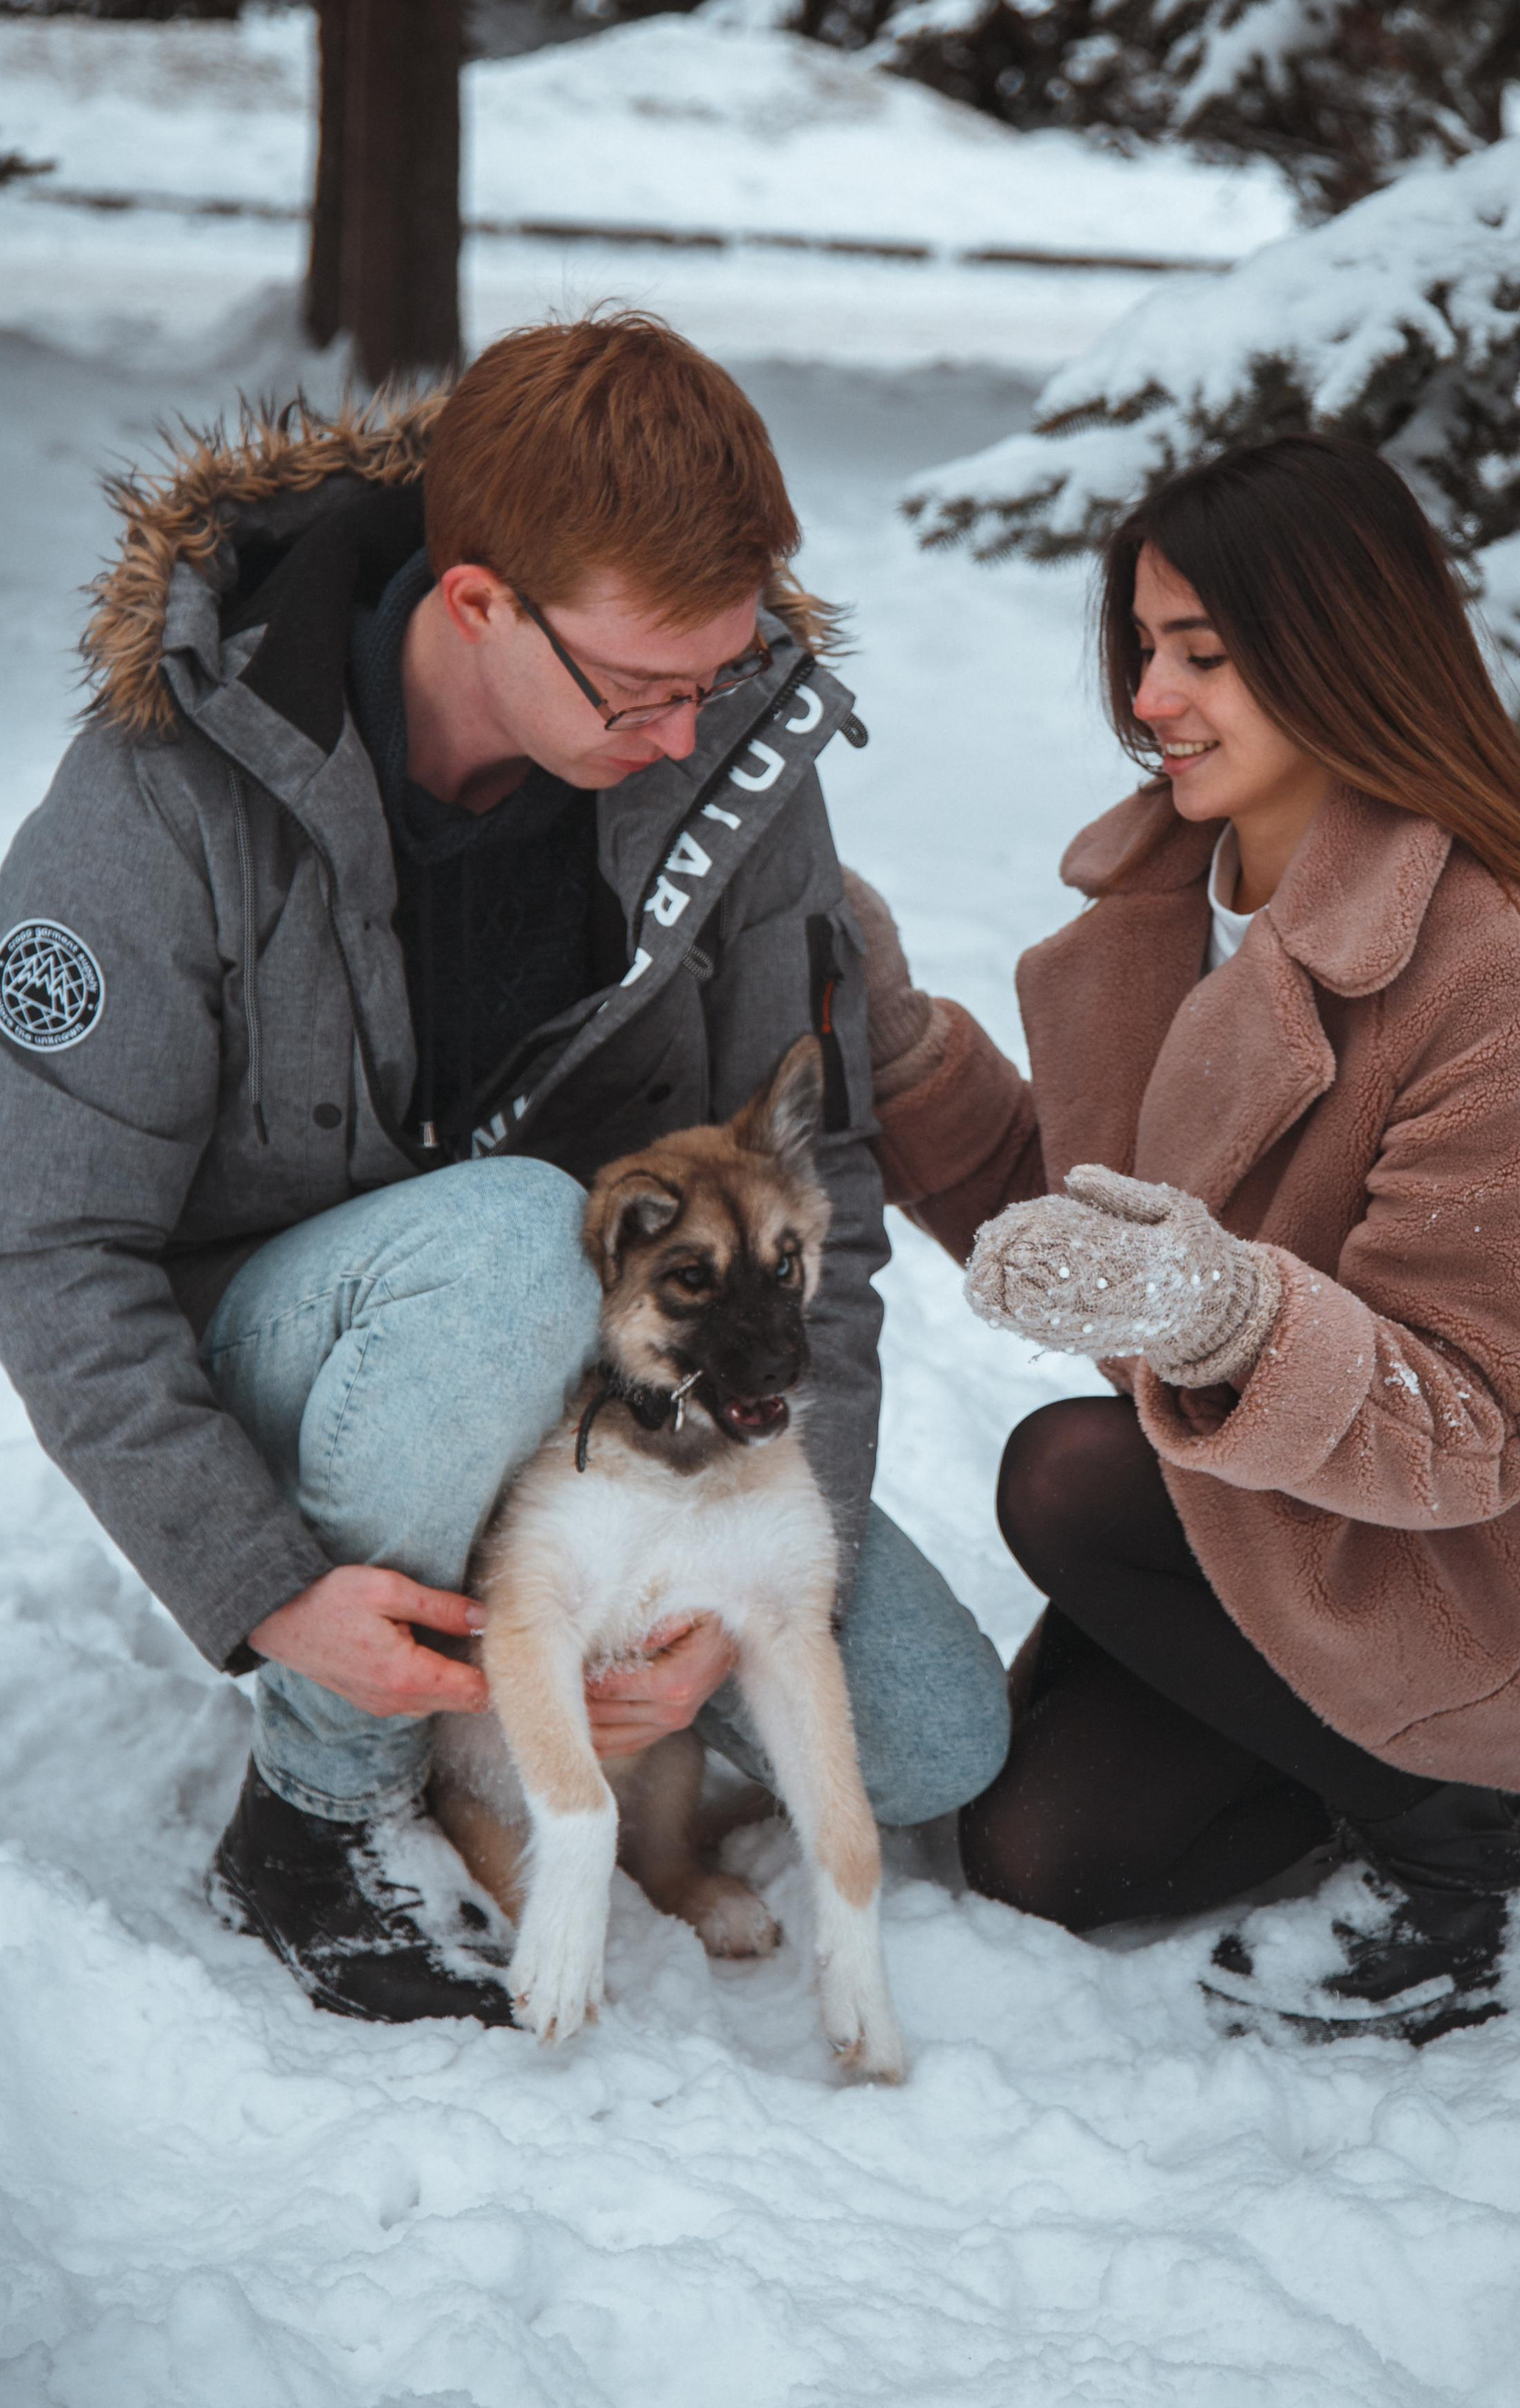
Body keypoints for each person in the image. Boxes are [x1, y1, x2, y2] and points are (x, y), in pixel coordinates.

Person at [0, 313, 1008, 2027]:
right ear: (477, 604)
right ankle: (318, 1814)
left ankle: (560, 1651)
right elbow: (46, 1245)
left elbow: (810, 1190)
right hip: (310, 1365)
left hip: (609, 1385)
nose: (695, 734)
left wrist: (767, 1567)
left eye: (724, 670)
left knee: (930, 1735)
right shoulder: (163, 789)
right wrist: (262, 1588)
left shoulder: (728, 763)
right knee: (507, 1242)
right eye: (644, 690)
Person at [848, 435, 1520, 2044]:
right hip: (1315, 1499)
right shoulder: (1169, 905)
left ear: (1337, 651)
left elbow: (1472, 1420)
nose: (1148, 697)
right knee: (1034, 1855)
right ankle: (1467, 1784)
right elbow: (1089, 1228)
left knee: (1066, 1474)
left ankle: (1468, 1879)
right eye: (1143, 650)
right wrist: (894, 1046)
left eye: (1201, 655)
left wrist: (1214, 1317)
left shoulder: (1490, 968)